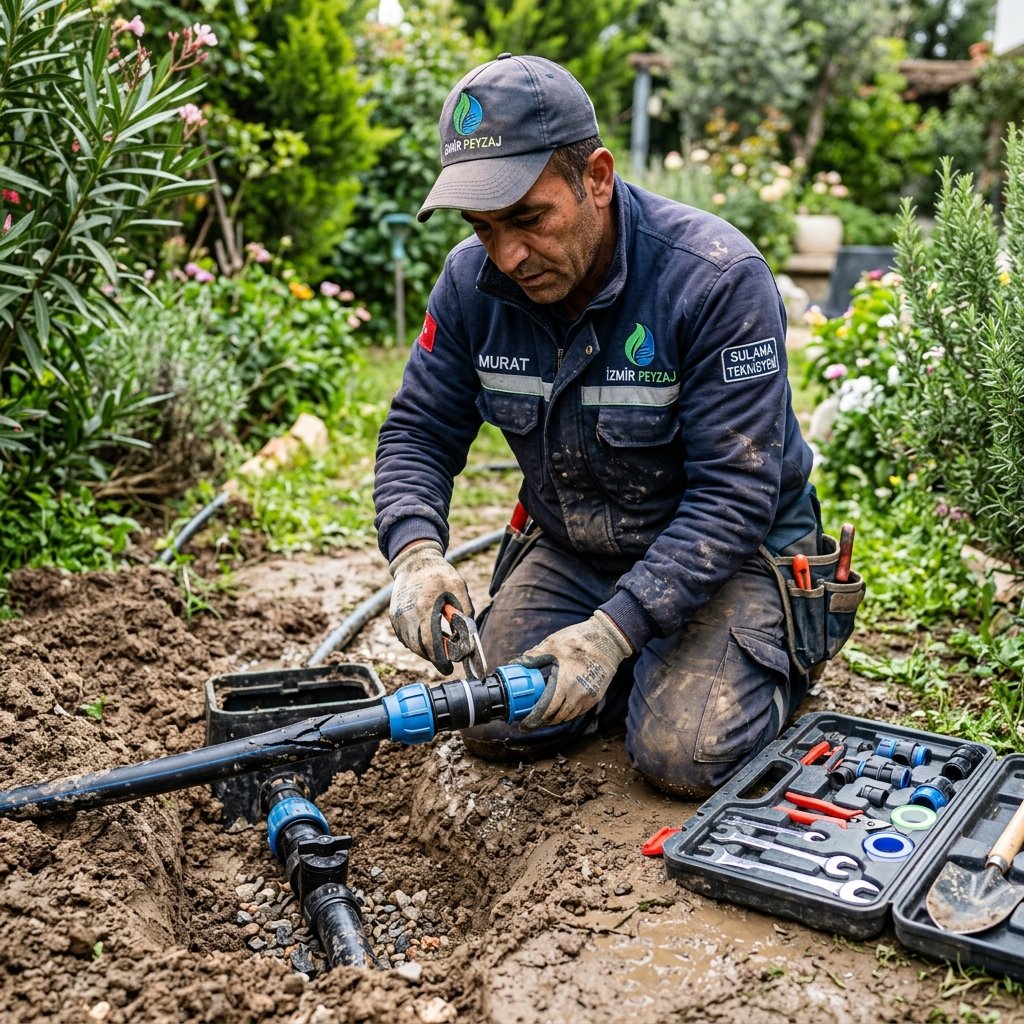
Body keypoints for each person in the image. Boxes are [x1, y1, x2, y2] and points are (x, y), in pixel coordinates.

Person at [373, 53, 821, 798]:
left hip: (728, 551)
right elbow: (418, 429)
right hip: (580, 543)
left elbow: (734, 498)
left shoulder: (713, 278)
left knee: (684, 754)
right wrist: (415, 555)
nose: (507, 254)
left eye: (527, 218)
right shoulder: (468, 285)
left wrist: (611, 635)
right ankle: (642, 666)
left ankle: (754, 658)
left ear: (598, 178)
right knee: (491, 718)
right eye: (483, 227)